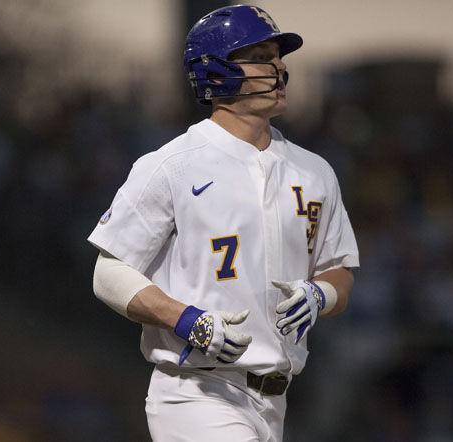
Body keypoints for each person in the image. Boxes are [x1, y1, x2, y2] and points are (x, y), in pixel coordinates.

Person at [88, 5, 359, 441]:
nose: (279, 66)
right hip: (195, 391)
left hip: (276, 401)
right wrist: (186, 319)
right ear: (215, 71)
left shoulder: (315, 172)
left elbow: (340, 269)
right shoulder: (172, 165)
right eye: (261, 55)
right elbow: (109, 272)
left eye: (279, 55)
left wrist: (321, 293)